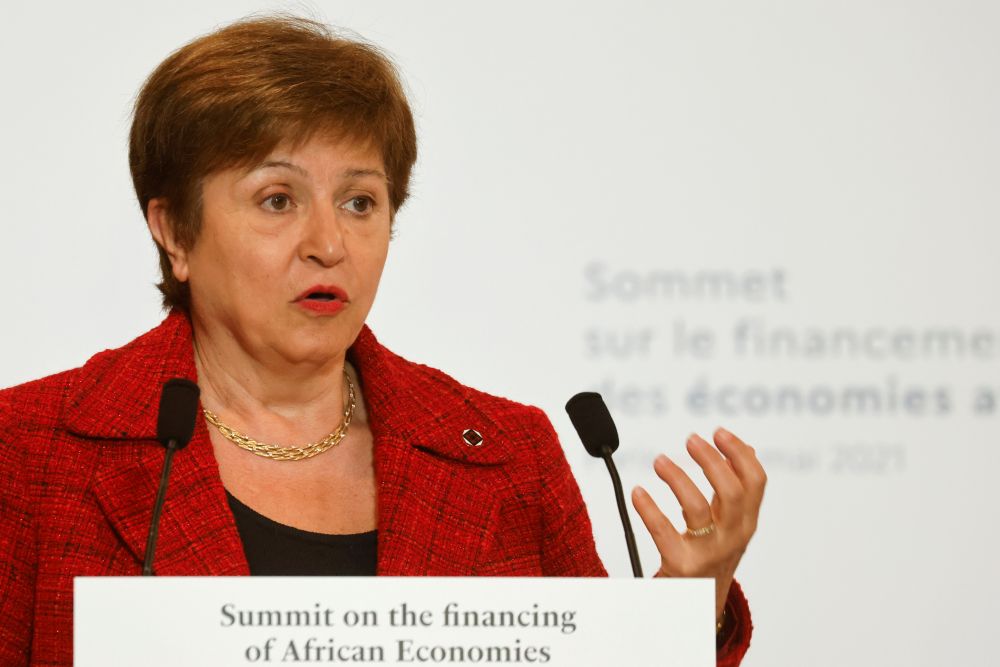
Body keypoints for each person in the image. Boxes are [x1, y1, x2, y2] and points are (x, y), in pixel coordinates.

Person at [0, 16, 765, 666]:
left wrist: (679, 618)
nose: (329, 242)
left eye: (361, 201)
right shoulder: (26, 455)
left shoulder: (505, 455)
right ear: (174, 232)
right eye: (277, 199)